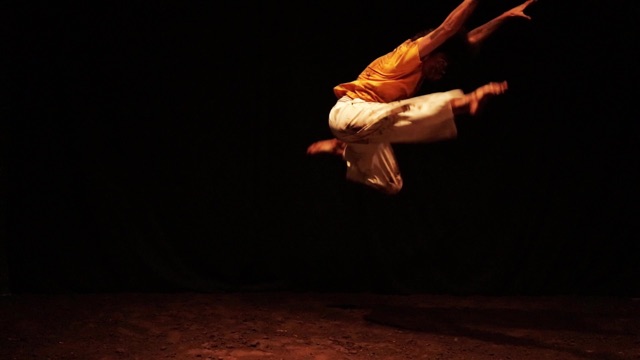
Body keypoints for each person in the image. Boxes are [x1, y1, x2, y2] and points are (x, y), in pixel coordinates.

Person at [307, 0, 536, 195]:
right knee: (397, 113)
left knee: (391, 184)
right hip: (350, 112)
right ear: (431, 52)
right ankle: (465, 103)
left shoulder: (418, 76)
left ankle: (342, 148)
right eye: (442, 62)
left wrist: (505, 16)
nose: (443, 70)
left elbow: (467, 41)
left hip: (363, 132)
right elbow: (447, 29)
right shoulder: (407, 55)